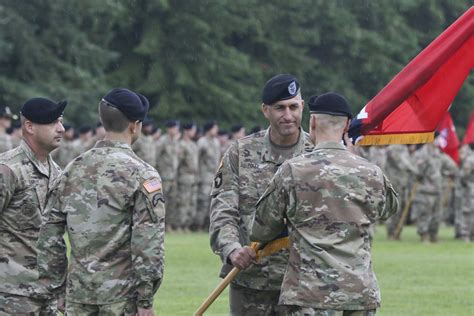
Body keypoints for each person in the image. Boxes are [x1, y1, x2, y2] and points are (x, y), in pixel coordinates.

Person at [250, 92, 399, 315]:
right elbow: (388, 210)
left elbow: (261, 229)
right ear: (348, 125)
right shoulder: (371, 173)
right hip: (358, 293)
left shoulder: (292, 171)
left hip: (311, 294)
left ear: (312, 121)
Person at [36, 88, 165, 315]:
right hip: (121, 298)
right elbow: (148, 243)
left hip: (77, 296)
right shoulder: (144, 175)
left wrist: (57, 289)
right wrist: (145, 300)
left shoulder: (71, 170)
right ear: (135, 125)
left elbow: (48, 237)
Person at [209, 74, 313, 315]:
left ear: (302, 107)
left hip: (304, 283)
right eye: (279, 108)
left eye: (293, 107)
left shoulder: (317, 154)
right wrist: (232, 249)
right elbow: (223, 211)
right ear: (265, 110)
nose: (288, 115)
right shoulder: (240, 152)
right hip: (251, 282)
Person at [0, 97, 67, 314]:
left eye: (61, 121)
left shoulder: (57, 173)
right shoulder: (8, 170)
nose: (61, 128)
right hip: (10, 294)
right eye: (52, 122)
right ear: (29, 126)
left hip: (47, 294)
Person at [155, 119, 180, 230]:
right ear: (169, 129)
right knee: (163, 201)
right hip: (164, 176)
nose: (176, 130)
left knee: (173, 202)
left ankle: (170, 224)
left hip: (173, 176)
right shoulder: (162, 141)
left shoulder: (175, 141)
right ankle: (161, 224)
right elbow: (156, 157)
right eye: (174, 128)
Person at [197, 120, 220, 231]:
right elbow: (196, 159)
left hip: (215, 177)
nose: (216, 130)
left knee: (213, 202)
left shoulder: (216, 142)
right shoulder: (202, 142)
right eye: (215, 128)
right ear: (209, 129)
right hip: (204, 176)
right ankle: (198, 224)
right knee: (203, 201)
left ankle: (209, 225)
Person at [175, 122, 199, 231]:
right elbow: (177, 163)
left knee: (191, 202)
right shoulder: (181, 145)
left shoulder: (194, 145)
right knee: (183, 202)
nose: (194, 133)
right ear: (186, 131)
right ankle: (179, 225)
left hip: (193, 177)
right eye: (192, 130)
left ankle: (187, 225)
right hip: (184, 176)